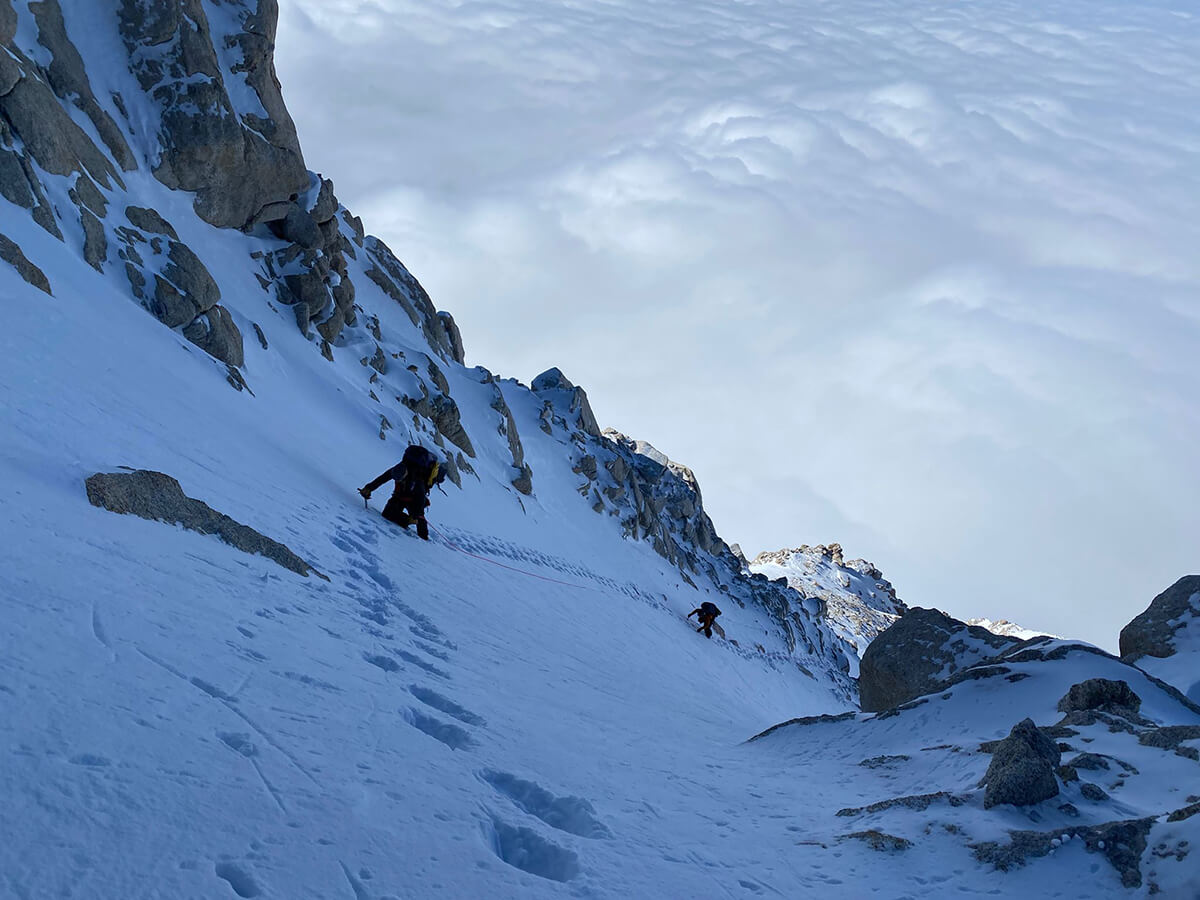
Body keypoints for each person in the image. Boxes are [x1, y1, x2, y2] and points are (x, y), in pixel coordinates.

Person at [360, 444, 446, 540]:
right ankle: (408, 521)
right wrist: (368, 488)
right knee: (387, 514)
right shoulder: (398, 469)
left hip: (414, 499)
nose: (399, 481)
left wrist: (416, 515)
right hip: (400, 495)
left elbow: (421, 498)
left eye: (401, 479)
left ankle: (424, 538)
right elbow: (383, 478)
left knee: (419, 519)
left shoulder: (417, 480)